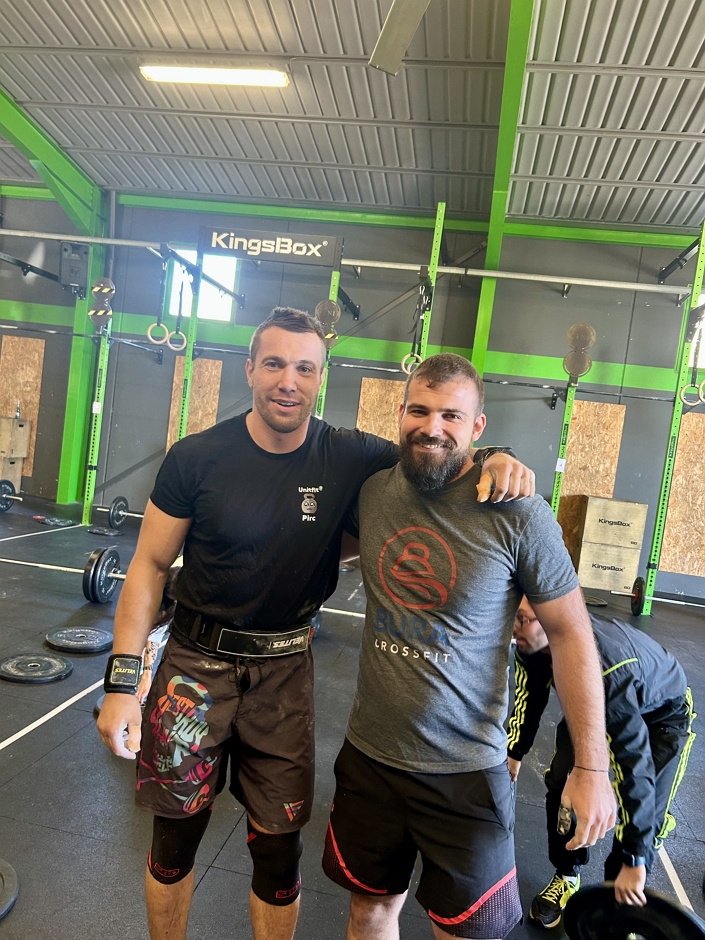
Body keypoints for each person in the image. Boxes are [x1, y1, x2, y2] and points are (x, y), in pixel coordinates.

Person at [96, 308, 534, 940]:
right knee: (173, 841)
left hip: (283, 676)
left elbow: (434, 447)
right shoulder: (195, 457)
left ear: (320, 378)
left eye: (305, 368)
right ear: (250, 368)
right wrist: (120, 683)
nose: (288, 381)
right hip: (193, 667)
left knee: (279, 852)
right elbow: (149, 565)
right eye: (274, 364)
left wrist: (497, 455)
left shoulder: (349, 454)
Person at [322, 353, 616, 940]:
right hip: (371, 756)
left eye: (451, 415)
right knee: (369, 913)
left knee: (467, 934)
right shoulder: (374, 493)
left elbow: (569, 631)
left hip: (466, 772)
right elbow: (322, 551)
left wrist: (592, 766)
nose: (432, 427)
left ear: (478, 427)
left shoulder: (519, 513)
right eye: (419, 410)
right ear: (400, 413)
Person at [509, 597, 696, 926]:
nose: (515, 629)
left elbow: (634, 767)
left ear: (553, 620)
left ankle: (618, 898)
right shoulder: (530, 643)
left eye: (524, 619)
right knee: (561, 783)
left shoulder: (604, 669)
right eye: (514, 617)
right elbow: (530, 695)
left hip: (662, 714)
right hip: (589, 698)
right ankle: (567, 874)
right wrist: (514, 752)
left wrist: (635, 859)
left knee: (644, 811)